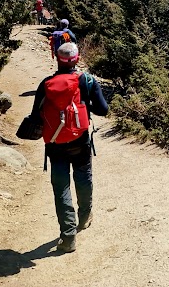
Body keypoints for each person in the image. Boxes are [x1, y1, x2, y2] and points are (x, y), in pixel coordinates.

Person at [30, 42, 108, 253]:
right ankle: (84, 217)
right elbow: (104, 109)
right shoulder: (87, 80)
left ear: (57, 58)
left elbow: (36, 116)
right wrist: (84, 105)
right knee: (83, 178)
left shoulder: (46, 84)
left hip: (55, 144)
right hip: (80, 141)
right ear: (77, 58)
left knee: (61, 188)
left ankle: (68, 237)